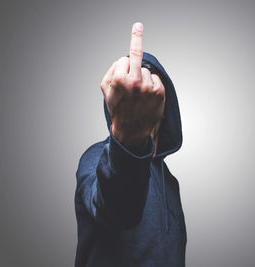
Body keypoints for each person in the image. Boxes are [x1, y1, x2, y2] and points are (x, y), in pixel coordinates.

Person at [75, 22, 186, 267]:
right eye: (133, 87)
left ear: (164, 103)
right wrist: (130, 140)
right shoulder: (95, 157)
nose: (141, 91)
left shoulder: (170, 182)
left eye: (151, 85)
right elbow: (116, 211)